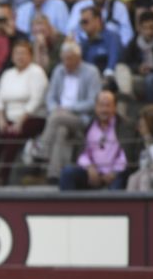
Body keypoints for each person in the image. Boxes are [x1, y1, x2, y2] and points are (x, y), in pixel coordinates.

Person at [26, 41, 102, 184]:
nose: (66, 63)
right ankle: (54, 175)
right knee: (61, 130)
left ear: (78, 58)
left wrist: (69, 108)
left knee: (57, 117)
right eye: (64, 59)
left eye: (69, 59)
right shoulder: (58, 71)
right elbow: (50, 97)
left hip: (80, 118)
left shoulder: (91, 72)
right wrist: (55, 108)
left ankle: (40, 152)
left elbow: (93, 102)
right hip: (59, 116)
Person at [0, 40, 48, 185]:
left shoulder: (37, 72)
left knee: (12, 135)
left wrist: (20, 121)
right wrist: (0, 118)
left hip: (33, 117)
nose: (20, 57)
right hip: (9, 117)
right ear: (12, 56)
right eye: (17, 53)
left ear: (30, 56)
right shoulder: (7, 74)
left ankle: (3, 177)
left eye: (24, 53)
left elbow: (36, 100)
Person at [58, 90, 133, 190]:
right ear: (96, 107)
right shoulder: (88, 126)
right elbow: (82, 153)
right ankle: (67, 206)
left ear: (115, 108)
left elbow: (126, 154)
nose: (104, 110)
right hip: (91, 173)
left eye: (108, 106)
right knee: (68, 172)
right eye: (101, 105)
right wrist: (89, 167)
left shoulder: (125, 126)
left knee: (117, 186)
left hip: (115, 174)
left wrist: (114, 172)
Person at [67, 0, 135, 46]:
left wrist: (121, 48)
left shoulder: (119, 7)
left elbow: (127, 32)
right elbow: (71, 31)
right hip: (86, 47)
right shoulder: (79, 6)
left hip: (113, 46)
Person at [119, 11, 153, 102]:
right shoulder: (134, 41)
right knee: (119, 69)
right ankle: (126, 94)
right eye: (145, 28)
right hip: (138, 75)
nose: (149, 32)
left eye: (152, 28)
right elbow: (125, 61)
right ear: (139, 28)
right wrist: (138, 68)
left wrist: (152, 69)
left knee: (151, 79)